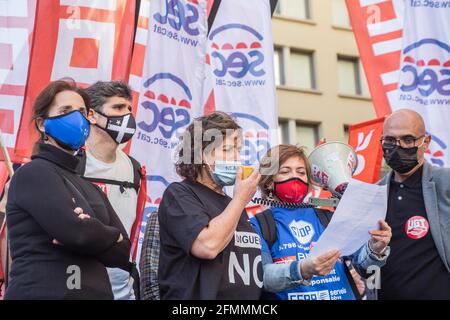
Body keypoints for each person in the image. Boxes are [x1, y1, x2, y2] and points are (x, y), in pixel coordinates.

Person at [4, 80, 131, 299]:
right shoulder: (33, 173)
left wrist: (90, 229)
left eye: (82, 111)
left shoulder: (90, 187)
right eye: (65, 110)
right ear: (42, 123)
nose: (77, 118)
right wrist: (110, 235)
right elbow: (77, 234)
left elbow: (122, 253)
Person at [251, 144, 392, 300]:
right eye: (285, 171)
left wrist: (375, 248)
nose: (295, 177)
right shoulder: (257, 225)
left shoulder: (328, 217)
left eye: (301, 172)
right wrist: (302, 269)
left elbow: (363, 266)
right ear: (269, 181)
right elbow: (262, 277)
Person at [157, 112, 263, 299]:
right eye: (228, 149)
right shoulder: (180, 194)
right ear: (201, 154)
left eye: (239, 150)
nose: (236, 157)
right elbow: (207, 246)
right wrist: (240, 200)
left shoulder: (232, 204)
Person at [81, 81, 145, 300]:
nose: (127, 116)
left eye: (129, 109)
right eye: (118, 108)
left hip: (121, 291)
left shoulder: (135, 169)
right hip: (75, 286)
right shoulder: (70, 162)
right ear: (91, 115)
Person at [378, 109, 450, 300]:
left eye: (408, 139)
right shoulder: (373, 194)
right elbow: (363, 263)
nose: (398, 146)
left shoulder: (445, 183)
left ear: (425, 142)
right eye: (390, 140)